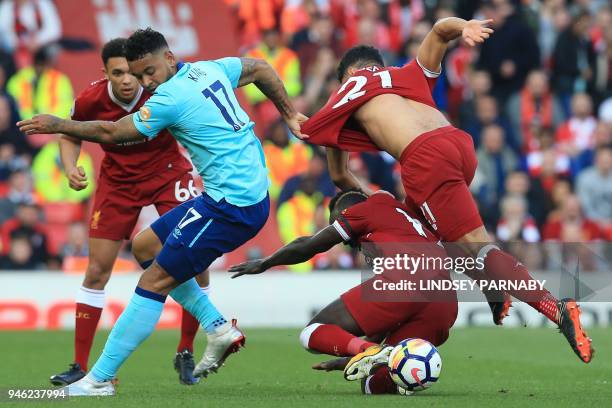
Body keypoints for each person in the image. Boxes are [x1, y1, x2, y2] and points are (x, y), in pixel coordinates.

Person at [18, 27, 306, 396]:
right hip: (230, 196)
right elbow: (261, 68)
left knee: (153, 282)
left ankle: (100, 379)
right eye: (138, 75)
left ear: (169, 59)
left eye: (148, 72)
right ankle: (216, 326)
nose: (144, 81)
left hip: (231, 207)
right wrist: (290, 114)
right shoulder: (210, 68)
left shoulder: (169, 98)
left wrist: (59, 124)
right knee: (144, 247)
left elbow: (112, 133)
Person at [300, 16, 593, 365]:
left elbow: (340, 175)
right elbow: (440, 30)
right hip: (458, 146)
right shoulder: (404, 74)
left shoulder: (350, 91)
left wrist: (370, 204)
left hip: (423, 159)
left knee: (477, 247)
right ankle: (490, 285)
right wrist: (465, 27)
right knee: (428, 235)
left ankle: (557, 309)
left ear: (349, 76)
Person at [48, 38, 205, 387]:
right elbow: (69, 132)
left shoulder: (161, 87)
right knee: (97, 271)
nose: (128, 80)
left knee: (197, 259)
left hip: (168, 175)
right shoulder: (90, 99)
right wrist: (70, 166)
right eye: (117, 73)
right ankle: (79, 364)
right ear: (104, 73)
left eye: (132, 73)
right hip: (117, 184)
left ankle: (185, 350)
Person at [230, 189, 457, 395]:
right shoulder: (395, 210)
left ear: (343, 213)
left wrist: (266, 263)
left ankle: (372, 351)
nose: (351, 245)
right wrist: (356, 355)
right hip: (445, 301)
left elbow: (309, 245)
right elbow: (389, 316)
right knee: (372, 385)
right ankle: (395, 366)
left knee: (311, 332)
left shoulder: (360, 211)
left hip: (405, 277)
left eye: (348, 239)